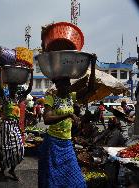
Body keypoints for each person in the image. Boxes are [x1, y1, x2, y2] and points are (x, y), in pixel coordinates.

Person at [39, 55, 96, 188]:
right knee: (52, 179)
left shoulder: (72, 97)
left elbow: (90, 88)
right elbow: (47, 119)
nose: (69, 86)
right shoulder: (50, 99)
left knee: (77, 181)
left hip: (67, 143)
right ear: (58, 85)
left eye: (69, 83)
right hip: (53, 143)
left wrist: (92, 65)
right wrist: (68, 115)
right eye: (65, 83)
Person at [0, 70, 33, 180]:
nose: (13, 89)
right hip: (5, 126)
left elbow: (29, 89)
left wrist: (31, 74)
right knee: (5, 149)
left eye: (15, 87)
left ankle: (12, 169)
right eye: (11, 87)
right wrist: (0, 72)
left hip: (15, 127)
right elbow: (0, 86)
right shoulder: (5, 98)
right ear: (8, 88)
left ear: (17, 89)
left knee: (19, 149)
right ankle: (2, 170)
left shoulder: (19, 99)